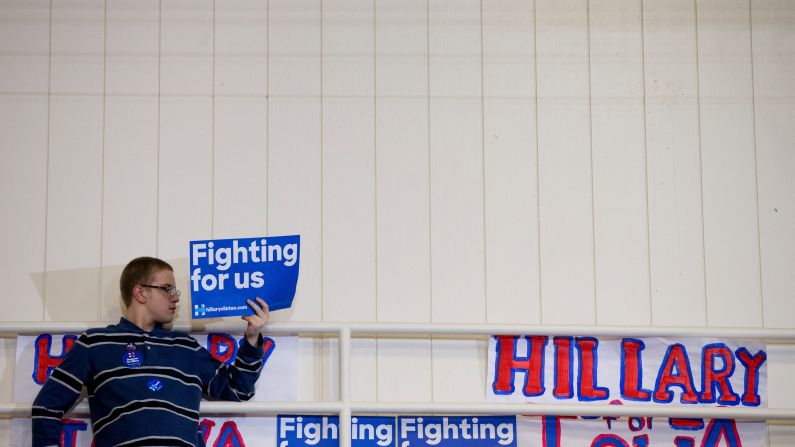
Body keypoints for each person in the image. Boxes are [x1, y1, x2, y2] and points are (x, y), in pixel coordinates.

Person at [31, 256, 270, 447]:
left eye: (175, 291)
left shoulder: (187, 348)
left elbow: (238, 389)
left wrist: (251, 337)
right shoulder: (95, 343)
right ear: (140, 292)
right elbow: (47, 406)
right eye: (167, 289)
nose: (175, 298)